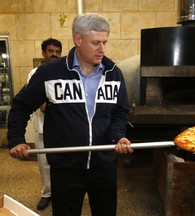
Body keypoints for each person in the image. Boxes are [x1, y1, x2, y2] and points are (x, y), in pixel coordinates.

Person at [8, 13, 133, 216]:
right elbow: (21, 106)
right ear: (78, 39)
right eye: (96, 43)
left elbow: (120, 111)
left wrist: (118, 135)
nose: (102, 49)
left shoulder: (113, 72)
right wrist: (16, 139)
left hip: (104, 166)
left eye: (104, 42)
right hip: (66, 168)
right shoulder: (50, 73)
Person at [27, 38, 62, 210]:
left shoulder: (64, 72)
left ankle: (61, 193)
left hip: (61, 129)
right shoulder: (35, 73)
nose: (54, 54)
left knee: (62, 162)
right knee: (44, 164)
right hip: (41, 128)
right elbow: (41, 106)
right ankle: (47, 193)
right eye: (50, 51)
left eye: (57, 51)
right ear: (43, 53)